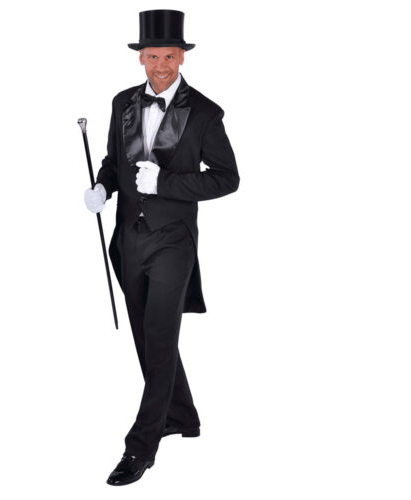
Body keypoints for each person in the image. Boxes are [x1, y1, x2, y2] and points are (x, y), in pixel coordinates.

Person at [84, 9, 240, 485]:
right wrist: (103, 187)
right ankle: (181, 415)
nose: (160, 65)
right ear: (141, 58)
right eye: (152, 56)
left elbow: (227, 179)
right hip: (128, 239)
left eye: (169, 56)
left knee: (158, 336)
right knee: (148, 338)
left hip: (172, 242)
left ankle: (141, 446)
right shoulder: (122, 103)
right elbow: (114, 160)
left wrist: (166, 182)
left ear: (182, 57)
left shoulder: (205, 113)